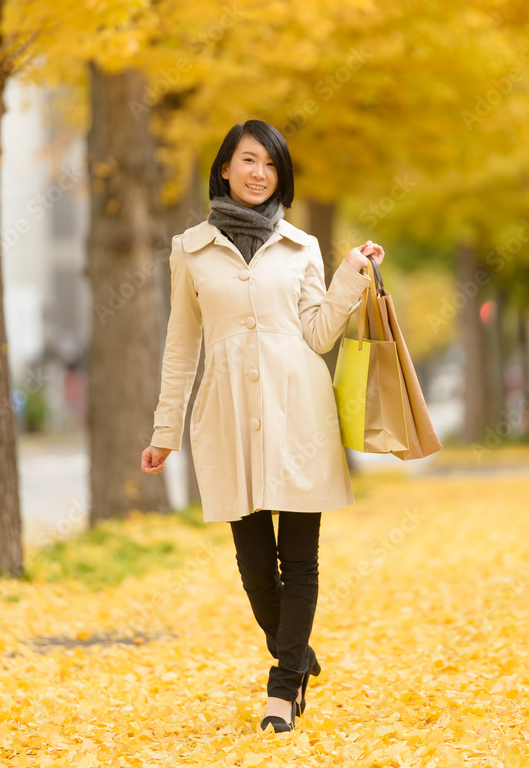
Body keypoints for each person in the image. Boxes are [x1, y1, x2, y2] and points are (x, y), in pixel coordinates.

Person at [141, 120, 385, 733]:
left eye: (270, 165)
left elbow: (319, 333)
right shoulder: (190, 249)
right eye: (248, 161)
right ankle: (297, 653)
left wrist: (350, 274)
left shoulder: (301, 246)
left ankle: (282, 691)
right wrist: (164, 430)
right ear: (224, 168)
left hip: (299, 410)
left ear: (280, 175)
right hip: (224, 416)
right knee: (255, 568)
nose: (259, 174)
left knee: (299, 562)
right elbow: (181, 346)